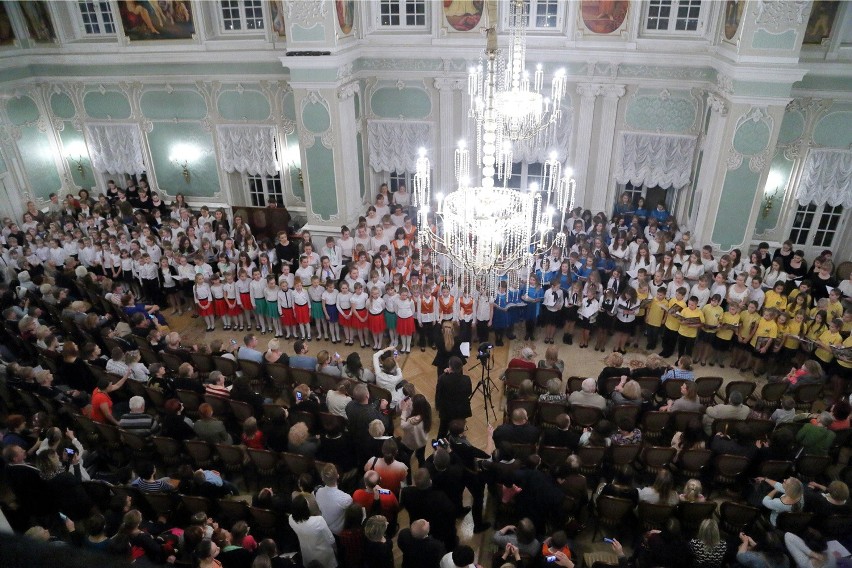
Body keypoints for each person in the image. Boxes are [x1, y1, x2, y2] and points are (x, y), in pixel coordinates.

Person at [289, 495, 337, 567]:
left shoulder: (290, 519)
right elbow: (331, 540)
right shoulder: (318, 520)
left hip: (307, 554)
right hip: (323, 555)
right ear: (306, 508)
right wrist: (335, 550)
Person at [435, 356, 472, 438]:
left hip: (447, 411)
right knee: (459, 431)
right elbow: (469, 392)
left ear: (450, 367)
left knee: (442, 430)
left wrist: (445, 374)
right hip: (461, 411)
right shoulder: (466, 379)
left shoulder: (443, 378)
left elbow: (439, 394)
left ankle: (439, 446)